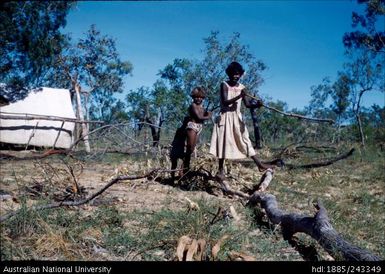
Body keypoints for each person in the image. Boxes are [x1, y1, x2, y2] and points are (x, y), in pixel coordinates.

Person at [209, 62, 274, 177]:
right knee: (223, 142)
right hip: (225, 117)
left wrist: (257, 105)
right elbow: (224, 101)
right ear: (229, 74)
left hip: (237, 118)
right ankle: (220, 170)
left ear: (241, 74)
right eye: (234, 74)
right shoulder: (224, 84)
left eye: (238, 74)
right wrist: (239, 96)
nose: (236, 76)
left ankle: (259, 164)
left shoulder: (242, 87)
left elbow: (247, 105)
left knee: (245, 140)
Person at [170, 87, 212, 180]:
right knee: (189, 147)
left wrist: (207, 114)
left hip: (199, 127)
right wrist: (209, 115)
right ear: (193, 97)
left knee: (191, 150)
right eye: (196, 97)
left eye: (200, 97)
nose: (198, 99)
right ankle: (182, 169)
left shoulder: (202, 108)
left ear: (203, 98)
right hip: (192, 126)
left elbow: (202, 118)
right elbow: (199, 117)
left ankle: (185, 168)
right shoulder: (193, 106)